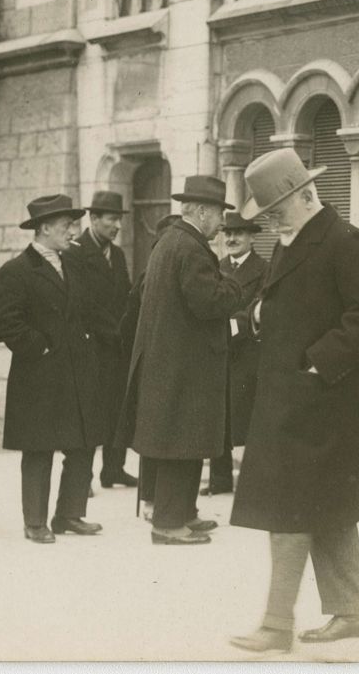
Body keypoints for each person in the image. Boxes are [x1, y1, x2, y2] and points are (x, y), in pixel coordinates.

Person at [229, 148, 359, 653]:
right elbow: (290, 300)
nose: (271, 220)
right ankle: (355, 612)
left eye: (276, 209)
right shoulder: (292, 238)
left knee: (289, 509)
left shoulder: (344, 241)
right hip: (291, 399)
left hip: (321, 401)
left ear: (306, 195)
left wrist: (318, 364)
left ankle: (276, 625)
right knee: (325, 507)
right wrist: (259, 313)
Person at [123, 176, 244, 544]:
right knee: (180, 440)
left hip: (171, 361)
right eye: (220, 213)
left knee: (180, 439)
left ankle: (181, 513)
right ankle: (168, 524)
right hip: (184, 365)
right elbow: (208, 301)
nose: (222, 222)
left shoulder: (170, 241)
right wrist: (235, 286)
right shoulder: (190, 247)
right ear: (202, 211)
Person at [0, 195, 105, 543]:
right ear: (44, 228)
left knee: (83, 443)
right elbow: (1, 323)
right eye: (67, 225)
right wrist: (38, 344)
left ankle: (69, 515)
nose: (74, 231)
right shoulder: (16, 271)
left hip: (76, 372)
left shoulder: (73, 265)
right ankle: (35, 522)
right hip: (38, 375)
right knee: (39, 448)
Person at [66, 191, 137, 490]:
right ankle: (82, 479)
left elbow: (127, 297)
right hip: (91, 346)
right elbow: (82, 304)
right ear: (93, 219)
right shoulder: (74, 253)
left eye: (119, 219)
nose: (117, 225)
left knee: (117, 408)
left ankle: (114, 469)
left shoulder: (118, 255)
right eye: (112, 219)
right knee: (89, 412)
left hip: (117, 348)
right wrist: (113, 330)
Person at [117, 213, 182, 522]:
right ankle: (149, 499)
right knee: (153, 435)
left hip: (155, 361)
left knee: (157, 434)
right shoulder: (150, 277)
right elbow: (130, 321)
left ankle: (156, 500)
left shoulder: (153, 273)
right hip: (153, 364)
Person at [203, 212, 269, 497]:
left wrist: (231, 325)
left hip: (248, 352)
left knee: (251, 418)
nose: (231, 239)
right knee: (219, 416)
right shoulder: (215, 267)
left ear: (252, 237)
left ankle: (255, 482)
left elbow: (261, 305)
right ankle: (219, 480)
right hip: (220, 354)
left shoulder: (264, 269)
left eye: (238, 233)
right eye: (227, 233)